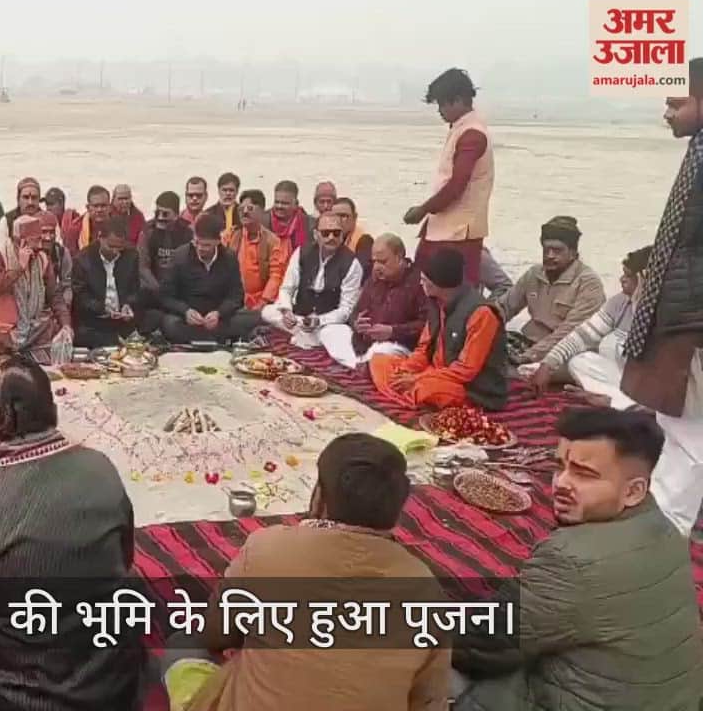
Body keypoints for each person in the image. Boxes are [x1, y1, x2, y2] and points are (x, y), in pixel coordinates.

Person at [0, 357, 144, 710]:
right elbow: (125, 558)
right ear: (53, 410)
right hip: (110, 687)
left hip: (10, 697)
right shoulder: (102, 467)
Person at [161, 433, 449, 711]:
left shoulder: (267, 550)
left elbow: (217, 635)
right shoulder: (427, 591)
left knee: (184, 643)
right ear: (397, 509)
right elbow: (427, 700)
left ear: (319, 498)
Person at [453, 408, 703, 711]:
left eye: (584, 474)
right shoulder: (665, 529)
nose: (561, 483)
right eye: (561, 466)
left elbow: (483, 644)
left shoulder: (572, 560)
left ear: (634, 491)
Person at [621, 57, 703, 537]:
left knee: (688, 431)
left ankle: (661, 534)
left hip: (693, 316)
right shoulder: (697, 150)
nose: (667, 113)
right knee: (678, 423)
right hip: (683, 308)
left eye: (677, 102)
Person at [369, 249, 508, 410]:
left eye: (424, 280)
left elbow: (466, 371)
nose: (421, 284)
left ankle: (404, 394)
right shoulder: (436, 302)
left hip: (469, 388)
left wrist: (416, 378)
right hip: (434, 372)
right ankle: (404, 393)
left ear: (439, 283)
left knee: (427, 390)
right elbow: (424, 349)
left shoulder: (482, 313)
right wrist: (403, 371)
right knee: (379, 361)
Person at [529, 246, 652, 408]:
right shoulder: (619, 302)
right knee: (579, 361)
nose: (622, 279)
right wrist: (547, 364)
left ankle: (617, 403)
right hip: (620, 379)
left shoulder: (662, 312)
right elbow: (581, 336)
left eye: (628, 276)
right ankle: (614, 399)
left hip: (650, 388)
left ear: (645, 279)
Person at [403, 68, 494, 286]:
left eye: (442, 104)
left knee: (451, 292)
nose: (440, 110)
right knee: (424, 284)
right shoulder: (461, 128)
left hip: (458, 233)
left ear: (460, 100)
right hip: (444, 226)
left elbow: (456, 186)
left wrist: (423, 209)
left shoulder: (472, 134)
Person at [495, 216, 605, 365]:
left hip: (564, 352)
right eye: (546, 249)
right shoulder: (534, 273)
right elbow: (503, 308)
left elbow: (569, 333)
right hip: (527, 342)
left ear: (573, 253)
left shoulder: (589, 283)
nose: (550, 255)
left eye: (557, 251)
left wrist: (529, 356)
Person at [263, 213, 364, 354]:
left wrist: (319, 321)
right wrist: (287, 311)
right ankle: (307, 337)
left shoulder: (352, 264)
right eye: (326, 233)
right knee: (268, 312)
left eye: (336, 233)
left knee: (340, 332)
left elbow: (346, 309)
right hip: (300, 319)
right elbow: (287, 288)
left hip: (326, 324)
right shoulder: (302, 252)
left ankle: (306, 338)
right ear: (316, 235)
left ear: (342, 235)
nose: (331, 238)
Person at [0, 214, 73, 361]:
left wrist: (66, 325)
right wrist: (18, 269)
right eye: (35, 241)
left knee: (52, 328)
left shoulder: (42, 259)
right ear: (20, 242)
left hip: (28, 327)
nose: (40, 246)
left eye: (40, 240)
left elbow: (55, 296)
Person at [332, 233, 430, 369]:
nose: (377, 267)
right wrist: (357, 323)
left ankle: (363, 365)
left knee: (381, 352)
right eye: (374, 261)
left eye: (383, 262)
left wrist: (392, 331)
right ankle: (360, 365)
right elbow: (356, 312)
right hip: (364, 344)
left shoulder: (419, 283)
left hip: (396, 346)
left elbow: (427, 325)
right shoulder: (374, 279)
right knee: (332, 330)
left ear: (400, 257)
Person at [159, 212, 259, 344]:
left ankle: (205, 338)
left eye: (206, 245)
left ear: (218, 242)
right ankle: (213, 339)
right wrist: (185, 311)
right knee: (169, 324)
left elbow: (236, 296)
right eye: (197, 243)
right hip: (188, 318)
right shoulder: (179, 256)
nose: (200, 248)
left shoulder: (229, 258)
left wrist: (219, 313)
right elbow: (165, 296)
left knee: (254, 317)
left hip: (218, 318)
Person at [72, 216, 145, 347]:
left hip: (122, 319)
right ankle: (118, 340)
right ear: (100, 237)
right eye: (111, 246)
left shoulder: (131, 256)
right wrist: (103, 309)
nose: (115, 251)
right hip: (95, 320)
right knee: (83, 334)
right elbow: (81, 297)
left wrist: (128, 304)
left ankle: (121, 339)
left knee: (154, 317)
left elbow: (135, 290)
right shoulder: (83, 259)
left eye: (119, 247)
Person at [229, 189, 291, 311]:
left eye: (250, 208)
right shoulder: (231, 237)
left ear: (262, 211)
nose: (245, 212)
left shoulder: (273, 241)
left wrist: (263, 301)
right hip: (233, 299)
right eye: (241, 209)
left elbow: (276, 275)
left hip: (262, 302)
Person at [139, 191, 195, 295]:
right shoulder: (148, 231)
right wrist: (158, 289)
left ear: (176, 215)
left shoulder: (188, 232)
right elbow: (143, 267)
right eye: (157, 213)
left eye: (165, 214)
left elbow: (192, 266)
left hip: (179, 288)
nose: (160, 217)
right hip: (153, 287)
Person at [62, 184, 114, 255]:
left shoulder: (118, 227)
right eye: (95, 206)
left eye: (103, 205)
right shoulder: (76, 229)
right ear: (88, 207)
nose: (99, 210)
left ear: (110, 207)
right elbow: (71, 259)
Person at [331, 197, 375, 275]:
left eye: (343, 216)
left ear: (355, 217)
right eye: (335, 216)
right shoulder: (329, 238)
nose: (339, 220)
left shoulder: (364, 241)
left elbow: (360, 272)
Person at [269, 180, 316, 252]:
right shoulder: (263, 221)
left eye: (285, 203)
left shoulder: (310, 225)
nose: (279, 206)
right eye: (277, 202)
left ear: (295, 204)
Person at [205, 172, 241, 237]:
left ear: (237, 191)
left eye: (231, 190)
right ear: (218, 191)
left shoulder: (243, 213)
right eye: (224, 190)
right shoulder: (208, 214)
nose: (228, 193)